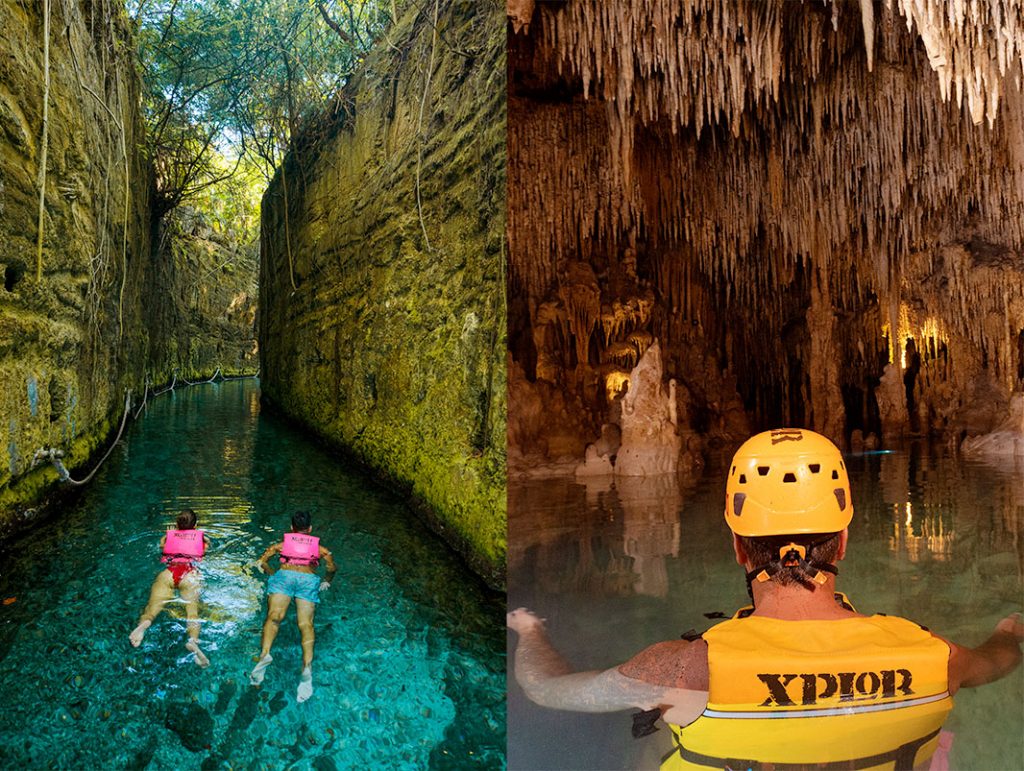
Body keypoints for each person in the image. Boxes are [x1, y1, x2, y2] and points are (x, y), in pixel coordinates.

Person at [508, 428, 1024, 770]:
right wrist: (1008, 630)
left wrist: (530, 629)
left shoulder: (683, 670)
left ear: (737, 546)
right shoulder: (933, 656)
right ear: (843, 540)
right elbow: (998, 662)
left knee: (647, 746)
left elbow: (545, 688)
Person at [250, 510, 336, 703]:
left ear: (291, 528)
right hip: (307, 581)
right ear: (310, 529)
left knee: (274, 618)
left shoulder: (280, 546)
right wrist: (327, 581)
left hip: (284, 578)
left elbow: (262, 561)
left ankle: (264, 654)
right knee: (305, 625)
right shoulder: (321, 550)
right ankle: (306, 667)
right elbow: (331, 567)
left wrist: (272, 574)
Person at [129, 508, 210, 667]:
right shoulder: (201, 540)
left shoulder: (168, 538)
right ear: (196, 525)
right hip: (189, 575)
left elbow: (162, 548)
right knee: (192, 612)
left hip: (168, 573)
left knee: (151, 610)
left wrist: (166, 535)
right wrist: (203, 537)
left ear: (175, 524)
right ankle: (193, 642)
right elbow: (204, 550)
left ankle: (143, 625)